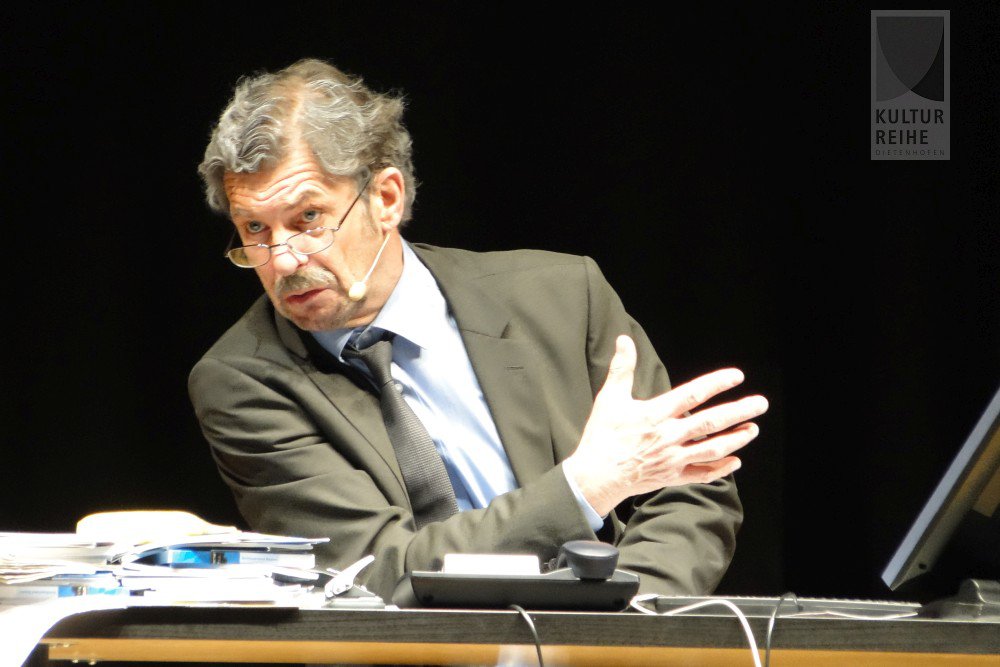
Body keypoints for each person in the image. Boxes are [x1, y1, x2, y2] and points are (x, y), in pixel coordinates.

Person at [189, 58, 769, 600]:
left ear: (385, 198)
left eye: (309, 218)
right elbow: (378, 572)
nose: (283, 259)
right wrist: (585, 487)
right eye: (254, 229)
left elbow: (688, 489)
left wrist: (616, 625)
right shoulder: (242, 380)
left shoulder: (564, 296)